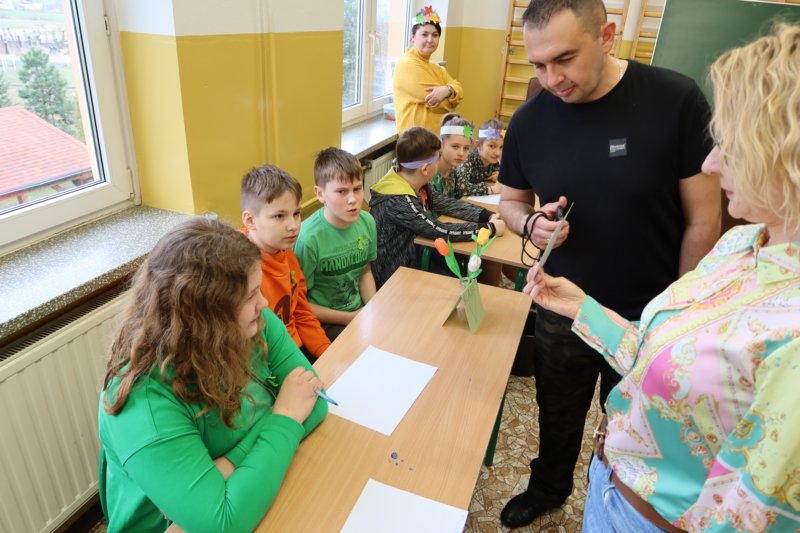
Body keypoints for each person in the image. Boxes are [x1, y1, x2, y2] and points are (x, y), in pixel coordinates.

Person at [525, 23, 800, 532]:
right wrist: (582, 308)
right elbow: (671, 358)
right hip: (612, 489)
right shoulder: (744, 243)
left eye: (729, 143)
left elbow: (752, 516)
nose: (711, 163)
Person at [496, 0, 721, 527]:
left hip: (648, 314)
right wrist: (531, 224)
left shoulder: (675, 100)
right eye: (538, 65)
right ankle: (548, 488)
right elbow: (510, 202)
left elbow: (704, 219)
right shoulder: (529, 120)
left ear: (607, 35)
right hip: (564, 306)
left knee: (636, 428)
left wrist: (682, 315)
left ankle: (617, 502)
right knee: (557, 412)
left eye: (565, 59)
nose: (552, 79)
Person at [98, 218, 328, 533]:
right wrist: (286, 415)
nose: (263, 303)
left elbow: (315, 401)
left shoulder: (253, 323)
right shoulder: (143, 402)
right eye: (250, 295)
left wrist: (229, 464)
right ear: (205, 317)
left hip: (250, 492)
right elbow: (223, 524)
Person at [368, 126, 506, 288]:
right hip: (395, 277)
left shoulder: (414, 183)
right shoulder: (399, 201)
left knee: (462, 273)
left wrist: (486, 215)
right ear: (426, 169)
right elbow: (439, 230)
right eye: (438, 157)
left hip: (414, 257)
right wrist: (489, 229)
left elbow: (447, 203)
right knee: (457, 284)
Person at [241, 164, 331, 363]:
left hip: (295, 348)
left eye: (296, 213)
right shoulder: (241, 268)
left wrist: (327, 353)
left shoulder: (284, 250)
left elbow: (301, 311)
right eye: (279, 216)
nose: (293, 226)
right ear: (250, 220)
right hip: (269, 361)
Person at [294, 147, 377, 342]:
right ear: (320, 194)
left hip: (357, 313)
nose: (353, 200)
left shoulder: (367, 222)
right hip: (324, 322)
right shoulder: (308, 239)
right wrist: (351, 318)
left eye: (357, 189)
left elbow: (365, 272)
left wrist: (373, 310)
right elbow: (300, 304)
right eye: (341, 191)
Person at [393, 5, 463, 134]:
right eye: (424, 34)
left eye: (435, 35)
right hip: (416, 141)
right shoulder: (407, 64)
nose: (430, 40)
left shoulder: (437, 68)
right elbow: (440, 106)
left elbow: (459, 90)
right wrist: (452, 99)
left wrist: (447, 90)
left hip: (437, 138)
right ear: (413, 36)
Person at [454, 118, 505, 196]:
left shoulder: (495, 162)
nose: (497, 152)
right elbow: (461, 188)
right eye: (492, 146)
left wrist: (501, 177)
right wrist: (491, 190)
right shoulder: (467, 160)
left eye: (501, 147)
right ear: (478, 144)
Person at [431, 113, 473, 199]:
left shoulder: (453, 171)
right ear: (441, 144)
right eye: (455, 146)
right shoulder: (430, 173)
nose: (461, 153)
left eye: (466, 148)